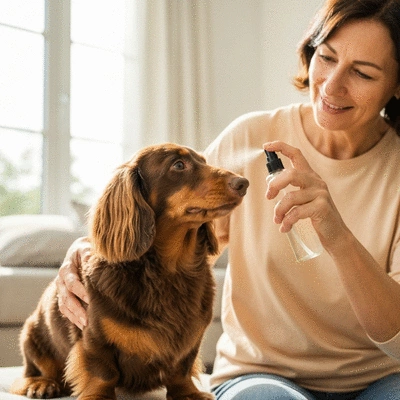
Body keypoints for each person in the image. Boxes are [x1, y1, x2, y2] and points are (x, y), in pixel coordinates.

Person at [56, 0, 400, 398]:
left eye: (362, 73)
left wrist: (337, 237)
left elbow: (394, 335)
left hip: (379, 380)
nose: (332, 84)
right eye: (326, 57)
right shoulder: (249, 139)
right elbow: (159, 227)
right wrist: (89, 248)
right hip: (261, 376)